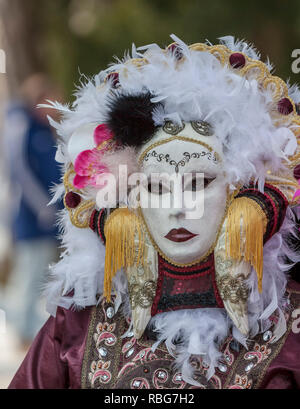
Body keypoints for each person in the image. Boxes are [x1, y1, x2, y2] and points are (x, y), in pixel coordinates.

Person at [9, 36, 300, 389]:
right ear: (130, 198)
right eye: (157, 187)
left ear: (239, 190)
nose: (177, 208)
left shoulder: (290, 323)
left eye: (200, 183)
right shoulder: (79, 318)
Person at [2, 74, 62, 348]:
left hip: (47, 219)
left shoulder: (43, 130)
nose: (56, 107)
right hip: (31, 218)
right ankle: (22, 333)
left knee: (38, 274)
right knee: (28, 273)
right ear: (38, 100)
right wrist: (42, 207)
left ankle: (29, 328)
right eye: (51, 101)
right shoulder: (21, 125)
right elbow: (20, 172)